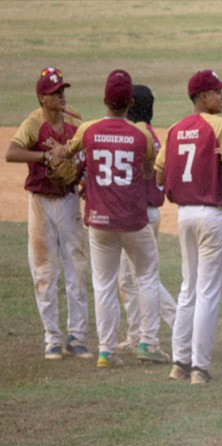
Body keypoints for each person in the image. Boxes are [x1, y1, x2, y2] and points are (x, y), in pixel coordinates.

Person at [58, 70, 169, 368]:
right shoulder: (141, 135)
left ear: (104, 99)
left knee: (104, 284)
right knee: (146, 276)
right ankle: (148, 342)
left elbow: (67, 155)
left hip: (98, 219)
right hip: (133, 218)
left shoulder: (89, 130)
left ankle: (106, 351)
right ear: (130, 102)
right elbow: (147, 172)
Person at [156, 69, 222, 384]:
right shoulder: (219, 125)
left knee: (188, 287)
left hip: (185, 215)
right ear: (202, 97)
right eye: (218, 91)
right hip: (213, 214)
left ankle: (179, 363)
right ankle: (199, 368)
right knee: (207, 291)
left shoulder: (176, 128)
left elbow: (159, 176)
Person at [5, 67, 91, 360]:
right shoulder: (33, 123)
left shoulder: (72, 123)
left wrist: (82, 179)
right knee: (44, 271)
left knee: (77, 266)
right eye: (55, 92)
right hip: (40, 202)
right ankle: (51, 338)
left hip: (68, 201)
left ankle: (77, 336)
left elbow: (82, 158)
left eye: (63, 90)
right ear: (43, 97)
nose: (62, 95)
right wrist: (45, 155)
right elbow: (11, 153)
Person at [117, 84, 178, 354]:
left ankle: (180, 324)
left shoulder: (135, 134)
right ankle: (134, 336)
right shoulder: (150, 134)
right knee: (128, 279)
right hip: (149, 213)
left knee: (144, 278)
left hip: (138, 215)